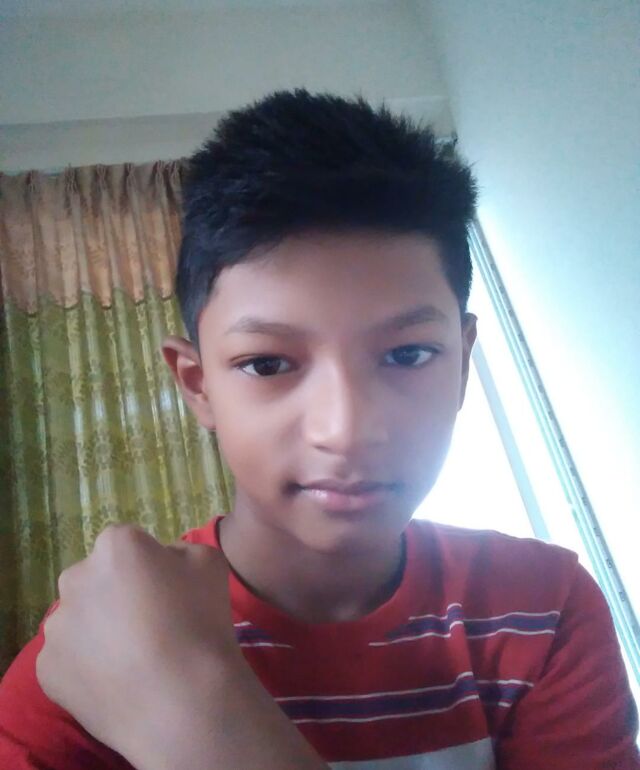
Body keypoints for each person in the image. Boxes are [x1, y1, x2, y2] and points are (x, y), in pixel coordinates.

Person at [0, 89, 638, 770]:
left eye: (408, 354)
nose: (346, 429)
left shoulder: (542, 607)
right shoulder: (112, 638)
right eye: (267, 363)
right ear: (197, 384)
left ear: (462, 362)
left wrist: (201, 714)